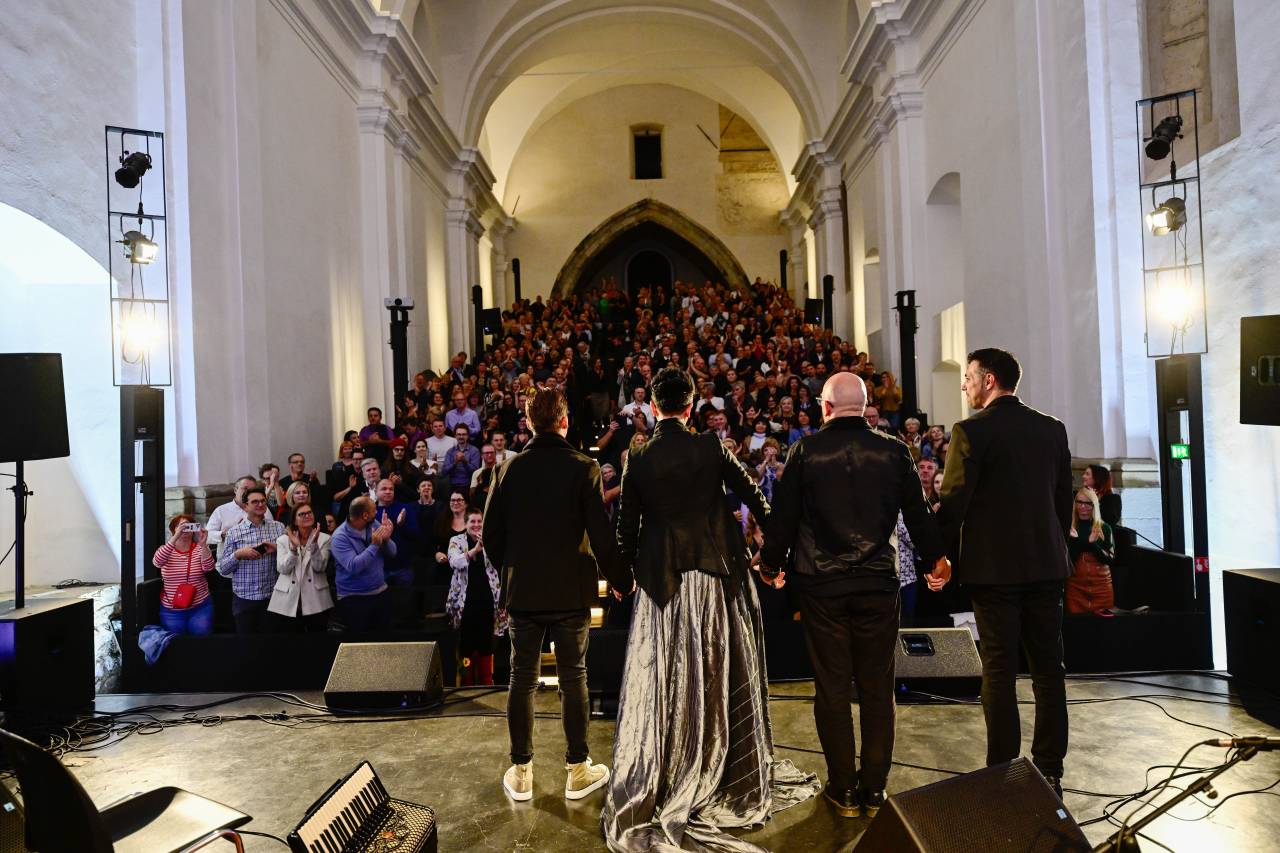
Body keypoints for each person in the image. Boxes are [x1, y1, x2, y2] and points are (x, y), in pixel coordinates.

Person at [603, 367, 817, 852]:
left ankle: (669, 768)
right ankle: (721, 763)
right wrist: (772, 557)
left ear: (654, 407)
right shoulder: (711, 447)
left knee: (666, 679)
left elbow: (626, 529)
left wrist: (621, 580)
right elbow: (758, 501)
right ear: (691, 405)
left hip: (662, 587)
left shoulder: (639, 456)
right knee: (715, 670)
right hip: (714, 580)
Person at [760, 372, 947, 818]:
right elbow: (918, 513)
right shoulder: (893, 450)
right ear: (864, 407)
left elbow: (784, 517)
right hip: (878, 583)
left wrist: (770, 565)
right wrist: (936, 559)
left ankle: (843, 789)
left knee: (832, 687)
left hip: (822, 585)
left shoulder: (806, 451)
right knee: (878, 687)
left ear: (825, 407)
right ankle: (875, 789)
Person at [482, 387, 632, 803]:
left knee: (521, 678)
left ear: (530, 422)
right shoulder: (584, 467)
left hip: (524, 590)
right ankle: (578, 770)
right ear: (564, 421)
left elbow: (491, 536)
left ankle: (521, 772)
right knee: (574, 677)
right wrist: (620, 579)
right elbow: (600, 534)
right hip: (570, 590)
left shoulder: (507, 469)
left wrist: (514, 568)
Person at [937, 348, 1073, 797]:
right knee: (1049, 670)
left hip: (994, 572)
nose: (964, 384)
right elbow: (1062, 500)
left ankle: (1002, 771)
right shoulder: (1051, 429)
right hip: (1046, 567)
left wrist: (938, 556)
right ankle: (1049, 770)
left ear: (989, 380)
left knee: (998, 669)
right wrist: (1052, 548)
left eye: (969, 376)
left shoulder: (971, 431)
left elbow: (953, 502)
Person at [216, 486, 287, 633]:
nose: (260, 504)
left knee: (271, 641)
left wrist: (277, 548)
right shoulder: (234, 532)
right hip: (244, 599)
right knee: (246, 642)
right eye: (255, 502)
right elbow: (223, 569)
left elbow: (289, 558)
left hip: (271, 597)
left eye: (263, 501)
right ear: (245, 506)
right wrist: (238, 554)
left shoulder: (279, 528)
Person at [447, 509, 504, 686]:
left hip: (488, 600)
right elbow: (455, 562)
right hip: (465, 603)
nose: (476, 525)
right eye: (472, 521)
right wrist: (475, 550)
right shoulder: (456, 541)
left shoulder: (490, 540)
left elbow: (500, 561)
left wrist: (488, 546)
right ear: (465, 524)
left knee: (486, 645)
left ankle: (487, 681)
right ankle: (466, 681)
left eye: (479, 521)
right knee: (466, 647)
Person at [330, 496, 396, 632]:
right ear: (365, 515)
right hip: (354, 598)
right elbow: (354, 567)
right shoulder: (339, 537)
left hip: (380, 592)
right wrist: (374, 546)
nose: (376, 512)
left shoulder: (373, 524)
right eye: (374, 510)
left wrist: (387, 539)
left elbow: (393, 553)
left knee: (384, 638)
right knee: (360, 641)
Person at [269, 502, 334, 631]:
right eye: (302, 514)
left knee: (317, 637)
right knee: (291, 639)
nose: (307, 516)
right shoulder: (283, 540)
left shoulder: (325, 538)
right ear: (294, 520)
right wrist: (293, 549)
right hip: (289, 599)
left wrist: (314, 545)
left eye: (309, 513)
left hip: (316, 599)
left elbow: (319, 568)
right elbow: (282, 569)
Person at [153, 515, 215, 636]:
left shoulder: (200, 549)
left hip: (200, 607)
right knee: (175, 642)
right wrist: (175, 537)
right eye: (180, 526)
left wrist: (203, 544)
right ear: (173, 529)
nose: (185, 529)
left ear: (193, 529)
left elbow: (209, 568)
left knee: (202, 640)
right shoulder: (165, 549)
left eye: (188, 526)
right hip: (171, 610)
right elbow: (157, 562)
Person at [1065, 488, 1115, 614]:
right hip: (1075, 586)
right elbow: (1066, 563)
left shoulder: (1104, 528)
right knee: (1077, 623)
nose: (1083, 506)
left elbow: (1110, 560)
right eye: (1079, 502)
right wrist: (1075, 541)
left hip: (1101, 586)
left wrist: (1092, 544)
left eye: (1088, 503)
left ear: (1094, 505)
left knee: (1103, 623)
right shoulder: (1069, 528)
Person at [205, 475, 256, 542]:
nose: (249, 492)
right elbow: (207, 534)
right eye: (245, 488)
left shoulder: (261, 508)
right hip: (229, 547)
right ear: (235, 490)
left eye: (252, 490)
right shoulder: (221, 510)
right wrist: (224, 535)